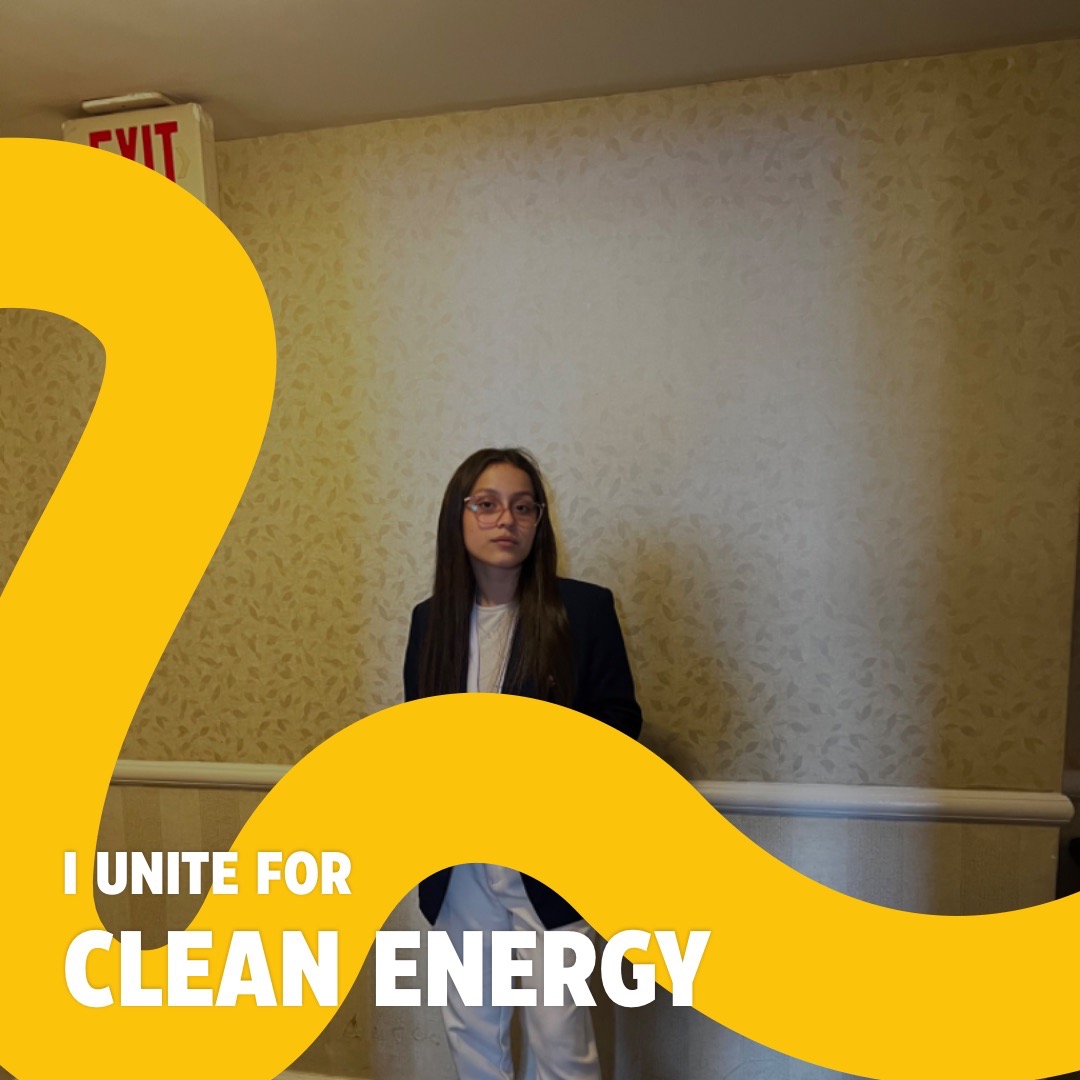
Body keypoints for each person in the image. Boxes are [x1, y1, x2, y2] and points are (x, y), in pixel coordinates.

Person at [403, 447, 643, 1080]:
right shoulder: (430, 622)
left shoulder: (582, 611)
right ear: (458, 517)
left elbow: (621, 723)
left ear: (539, 521)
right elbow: (417, 738)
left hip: (552, 853)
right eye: (486, 504)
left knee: (560, 1036)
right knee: (471, 1027)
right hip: (459, 858)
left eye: (522, 506)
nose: (505, 519)